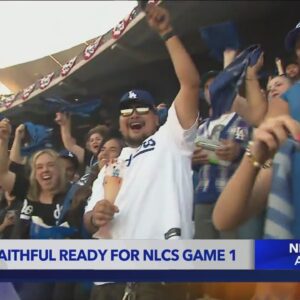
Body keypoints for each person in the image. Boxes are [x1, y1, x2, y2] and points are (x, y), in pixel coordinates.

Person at [84, 3, 200, 300]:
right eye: (125, 111)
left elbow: (190, 84)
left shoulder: (171, 139)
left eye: (141, 109)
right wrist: (95, 215)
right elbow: (88, 218)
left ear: (156, 116)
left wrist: (167, 32)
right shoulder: (110, 165)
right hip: (106, 282)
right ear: (119, 123)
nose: (133, 114)